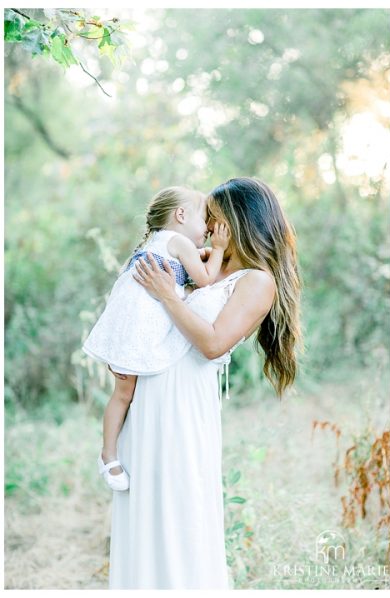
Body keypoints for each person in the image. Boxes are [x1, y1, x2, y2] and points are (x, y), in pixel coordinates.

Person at [108, 177, 301, 589]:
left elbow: (213, 343)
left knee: (179, 507)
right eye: (207, 218)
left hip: (183, 404)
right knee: (143, 505)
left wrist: (169, 295)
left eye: (215, 219)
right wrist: (127, 352)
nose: (208, 227)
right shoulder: (209, 264)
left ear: (239, 221)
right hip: (149, 394)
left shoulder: (257, 281)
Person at [82, 186, 229, 491]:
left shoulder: (157, 242)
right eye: (204, 218)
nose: (208, 227)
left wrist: (204, 254)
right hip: (142, 333)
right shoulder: (179, 242)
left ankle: (109, 454)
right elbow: (204, 279)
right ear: (181, 215)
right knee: (128, 394)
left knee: (122, 395)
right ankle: (110, 455)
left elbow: (185, 272)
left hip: (128, 331)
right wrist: (218, 249)